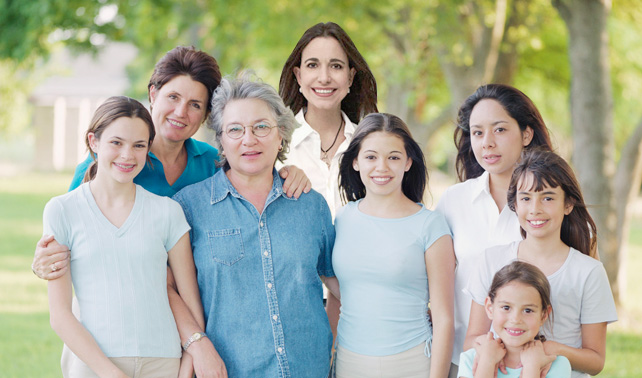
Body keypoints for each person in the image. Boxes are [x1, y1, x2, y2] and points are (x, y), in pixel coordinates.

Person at [31, 46, 311, 378]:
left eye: (196, 105)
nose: (181, 112)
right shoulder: (101, 169)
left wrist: (289, 172)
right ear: (153, 93)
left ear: (207, 114)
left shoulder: (213, 165)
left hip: (190, 328)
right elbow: (78, 243)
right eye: (173, 97)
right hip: (113, 334)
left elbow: (256, 186)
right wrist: (43, 262)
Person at [172, 73, 338, 377]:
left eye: (261, 127)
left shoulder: (311, 205)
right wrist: (196, 344)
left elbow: (338, 285)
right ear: (220, 139)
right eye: (235, 129)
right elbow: (168, 288)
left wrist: (331, 344)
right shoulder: (188, 208)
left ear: (281, 135)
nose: (249, 139)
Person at [44, 96, 204, 377]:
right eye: (116, 143)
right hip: (92, 363)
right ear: (94, 142)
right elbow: (59, 315)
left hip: (163, 362)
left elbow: (191, 302)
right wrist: (111, 373)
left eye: (139, 145)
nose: (127, 155)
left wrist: (187, 368)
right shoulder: (62, 210)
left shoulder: (168, 212)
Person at [463, 149, 617, 378]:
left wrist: (550, 350)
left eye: (547, 198)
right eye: (526, 198)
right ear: (514, 204)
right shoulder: (491, 260)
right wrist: (491, 352)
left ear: (568, 204)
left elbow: (595, 360)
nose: (535, 208)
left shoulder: (588, 272)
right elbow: (472, 339)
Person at [434, 84, 554, 376]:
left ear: (526, 134)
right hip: (465, 360)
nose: (486, 142)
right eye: (477, 132)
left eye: (499, 130)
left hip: (535, 365)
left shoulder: (550, 205)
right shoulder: (454, 200)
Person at [332, 113, 455, 377]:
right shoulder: (343, 218)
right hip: (348, 361)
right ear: (355, 161)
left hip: (411, 361)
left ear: (408, 162)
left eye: (394, 157)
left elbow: (444, 318)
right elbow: (340, 294)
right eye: (371, 157)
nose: (382, 167)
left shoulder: (430, 225)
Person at [278, 20, 378, 343]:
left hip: (366, 307)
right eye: (312, 65)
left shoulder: (374, 147)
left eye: (336, 66)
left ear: (350, 77)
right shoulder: (274, 148)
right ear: (298, 76)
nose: (324, 77)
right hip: (293, 309)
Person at [458, 261, 572, 378]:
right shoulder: (471, 359)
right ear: (490, 308)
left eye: (528, 310)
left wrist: (531, 366)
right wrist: (487, 362)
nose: (516, 319)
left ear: (543, 315)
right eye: (506, 307)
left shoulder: (557, 364)